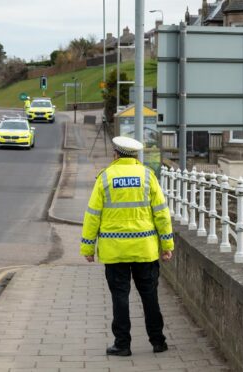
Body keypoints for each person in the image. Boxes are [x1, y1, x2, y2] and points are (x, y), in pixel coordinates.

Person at [80, 136, 174, 357]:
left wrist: (87, 248)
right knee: (150, 296)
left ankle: (122, 344)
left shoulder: (105, 178)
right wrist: (167, 245)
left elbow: (92, 215)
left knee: (120, 297)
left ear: (115, 154)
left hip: (115, 251)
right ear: (135, 156)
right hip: (145, 249)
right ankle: (158, 341)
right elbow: (161, 213)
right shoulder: (148, 177)